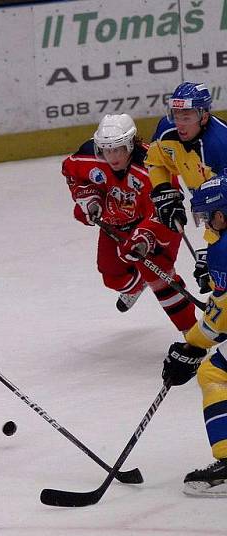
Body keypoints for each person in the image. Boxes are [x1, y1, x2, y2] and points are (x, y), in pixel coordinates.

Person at [62, 114, 197, 332]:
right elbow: (71, 172)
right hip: (116, 224)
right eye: (107, 149)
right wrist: (88, 197)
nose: (112, 156)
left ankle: (192, 334)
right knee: (112, 277)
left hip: (158, 226)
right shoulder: (90, 156)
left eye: (118, 149)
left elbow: (167, 209)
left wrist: (144, 238)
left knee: (159, 277)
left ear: (130, 144)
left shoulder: (151, 166)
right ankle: (140, 281)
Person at [161, 174, 227, 497]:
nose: (206, 226)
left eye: (207, 217)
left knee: (213, 373)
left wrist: (190, 346)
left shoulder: (222, 251)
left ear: (221, 215)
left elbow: (218, 322)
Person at [146, 82, 227, 289]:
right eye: (176, 115)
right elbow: (156, 162)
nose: (179, 124)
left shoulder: (220, 146)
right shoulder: (167, 130)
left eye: (187, 117)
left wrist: (215, 254)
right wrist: (163, 189)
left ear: (204, 116)